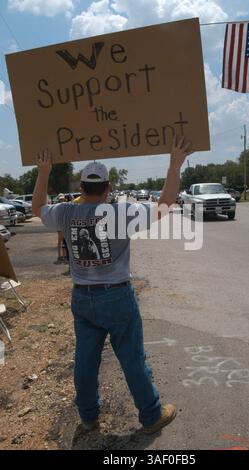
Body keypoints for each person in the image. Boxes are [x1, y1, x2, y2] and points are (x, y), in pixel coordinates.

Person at [32, 136, 191, 434]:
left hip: (82, 297)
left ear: (81, 188)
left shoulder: (65, 212)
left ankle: (89, 417)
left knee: (85, 360)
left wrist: (43, 172)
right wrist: (174, 163)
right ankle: (151, 415)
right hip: (117, 297)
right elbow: (166, 204)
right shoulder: (122, 212)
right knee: (131, 358)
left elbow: (37, 207)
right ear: (107, 189)